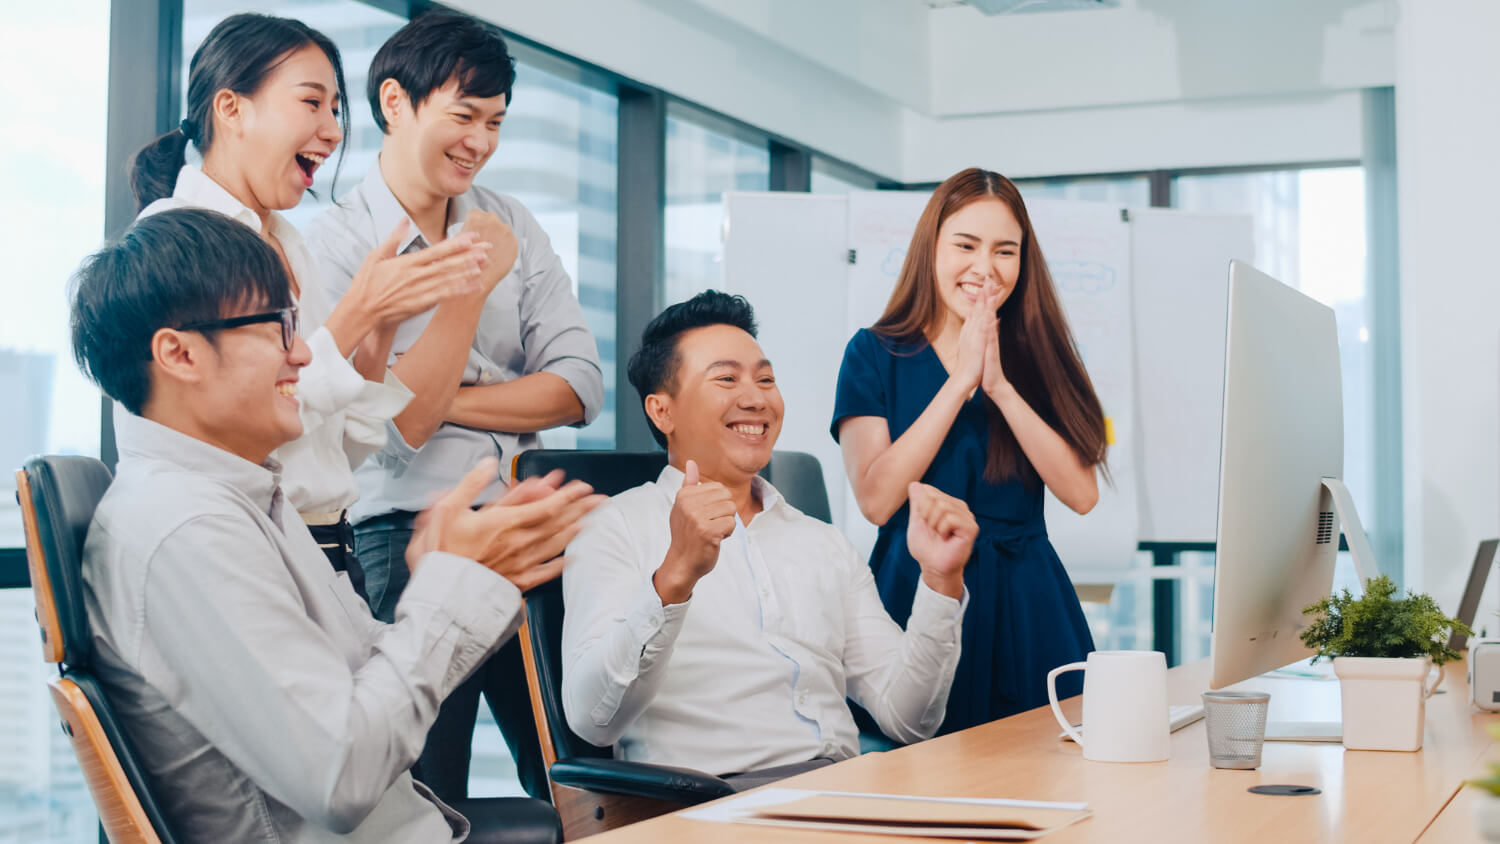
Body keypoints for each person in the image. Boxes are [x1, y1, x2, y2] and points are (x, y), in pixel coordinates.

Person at [70, 207, 602, 842]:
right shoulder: (186, 528)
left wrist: (449, 581)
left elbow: (362, 678)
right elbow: (341, 774)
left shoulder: (240, 496)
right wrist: (454, 589)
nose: (302, 353)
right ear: (179, 354)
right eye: (276, 326)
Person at [307, 11, 603, 802]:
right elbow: (397, 428)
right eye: (464, 116)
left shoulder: (512, 224)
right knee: (427, 791)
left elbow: (578, 386)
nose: (481, 141)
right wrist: (467, 292)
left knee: (575, 781)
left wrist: (438, 393)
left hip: (523, 527)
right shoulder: (336, 248)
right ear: (396, 103)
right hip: (402, 535)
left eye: (497, 122)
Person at [127, 12, 498, 594]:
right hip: (247, 551)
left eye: (336, 110)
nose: (332, 131)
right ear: (232, 108)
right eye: (311, 103)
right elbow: (247, 431)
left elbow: (334, 453)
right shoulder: (178, 238)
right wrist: (360, 311)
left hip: (324, 553)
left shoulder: (290, 245)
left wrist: (379, 329)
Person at [562, 291, 976, 786]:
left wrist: (940, 581)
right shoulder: (614, 526)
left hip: (843, 793)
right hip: (706, 804)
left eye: (765, 379)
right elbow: (593, 719)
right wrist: (674, 578)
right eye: (726, 379)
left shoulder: (821, 542)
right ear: (662, 411)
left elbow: (910, 720)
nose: (755, 398)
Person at [832, 168, 1109, 732]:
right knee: (920, 771)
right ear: (931, 248)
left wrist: (1000, 388)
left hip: (1029, 600)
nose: (985, 268)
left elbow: (1082, 494)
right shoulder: (872, 352)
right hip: (920, 590)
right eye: (966, 245)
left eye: (1005, 251)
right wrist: (959, 382)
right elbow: (877, 500)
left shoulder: (1044, 352)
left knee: (1052, 765)